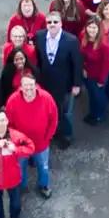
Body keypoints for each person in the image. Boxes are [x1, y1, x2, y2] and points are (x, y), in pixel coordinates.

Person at [31, 11, 81, 149]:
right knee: (48, 110)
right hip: (45, 82)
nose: (52, 24)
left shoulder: (71, 40)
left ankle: (65, 135)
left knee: (63, 112)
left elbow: (77, 63)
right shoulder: (40, 37)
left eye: (55, 22)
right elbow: (39, 60)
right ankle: (52, 133)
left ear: (61, 23)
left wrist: (77, 84)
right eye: (49, 22)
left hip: (64, 84)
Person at [2, 73, 55, 198]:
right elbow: (8, 123)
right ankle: (22, 185)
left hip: (41, 143)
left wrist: (48, 137)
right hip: (21, 145)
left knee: (43, 166)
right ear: (21, 86)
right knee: (21, 166)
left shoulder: (46, 98)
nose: (29, 89)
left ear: (36, 85)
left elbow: (54, 118)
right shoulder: (13, 100)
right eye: (26, 86)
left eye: (31, 86)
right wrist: (15, 140)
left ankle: (44, 185)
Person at [80, 18, 109, 125]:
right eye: (89, 27)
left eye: (94, 27)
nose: (91, 30)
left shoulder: (104, 45)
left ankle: (99, 115)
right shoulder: (83, 37)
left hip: (98, 75)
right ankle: (93, 112)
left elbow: (107, 64)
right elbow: (81, 56)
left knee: (98, 96)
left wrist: (101, 80)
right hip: (87, 74)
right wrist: (83, 68)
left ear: (99, 29)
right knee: (91, 95)